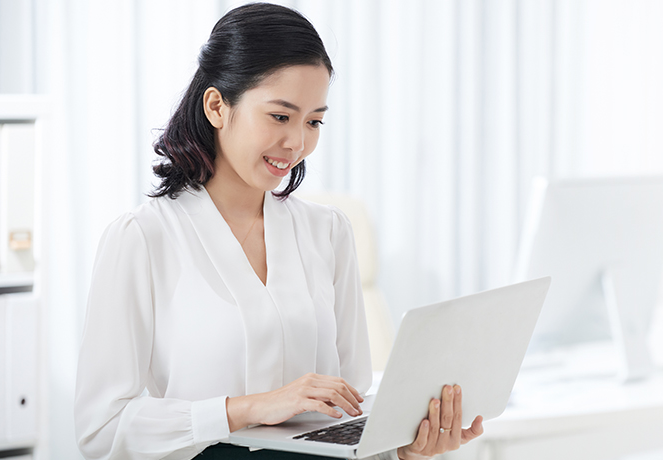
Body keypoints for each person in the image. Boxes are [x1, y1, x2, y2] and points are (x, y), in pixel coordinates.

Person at [73, 4, 483, 459]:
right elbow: (102, 431)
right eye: (280, 116)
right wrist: (247, 409)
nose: (297, 143)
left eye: (314, 121)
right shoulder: (142, 239)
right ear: (216, 106)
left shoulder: (328, 232)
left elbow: (352, 409)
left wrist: (404, 449)